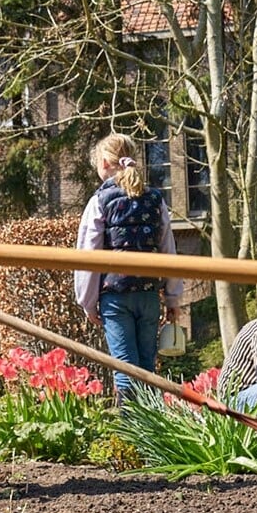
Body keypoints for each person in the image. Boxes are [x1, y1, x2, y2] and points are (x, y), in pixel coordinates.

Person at [72, 133, 184, 400]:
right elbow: (168, 249)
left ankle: (130, 434)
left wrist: (87, 302)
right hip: (148, 294)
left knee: (124, 368)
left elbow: (88, 255)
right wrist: (173, 297)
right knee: (147, 367)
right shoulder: (156, 200)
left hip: (116, 295)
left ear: (105, 163)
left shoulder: (100, 200)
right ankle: (152, 433)